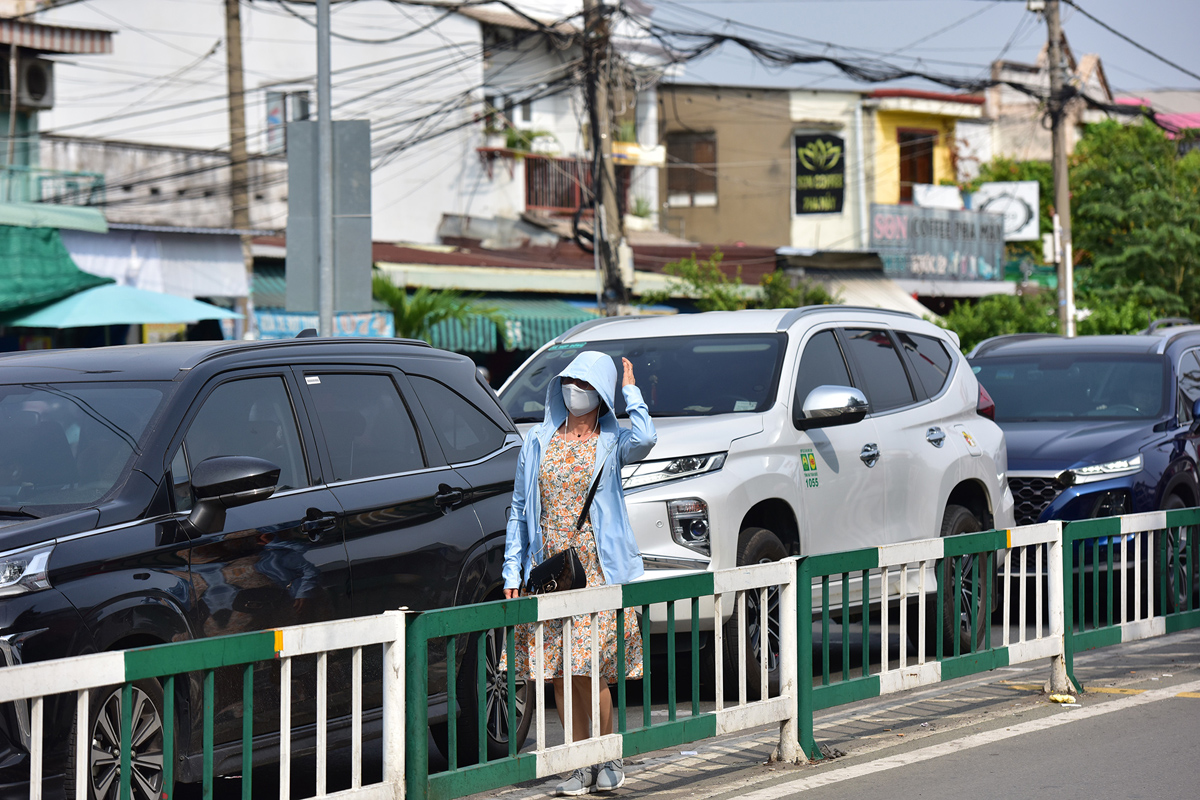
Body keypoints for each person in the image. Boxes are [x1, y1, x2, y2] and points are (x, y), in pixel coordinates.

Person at [503, 351, 656, 796]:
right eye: (571, 382)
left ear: (601, 394)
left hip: (597, 568)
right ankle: (575, 762)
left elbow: (647, 438)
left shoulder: (613, 440)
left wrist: (631, 391)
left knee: (591, 670)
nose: (576, 390)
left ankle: (605, 753)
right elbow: (517, 511)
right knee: (557, 671)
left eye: (587, 384)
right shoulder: (537, 441)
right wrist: (513, 569)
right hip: (550, 569)